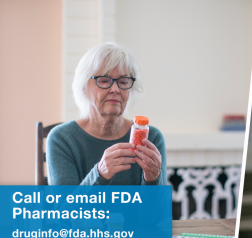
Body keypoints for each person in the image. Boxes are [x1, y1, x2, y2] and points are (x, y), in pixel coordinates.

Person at [47, 43, 167, 185]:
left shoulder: (150, 137)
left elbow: (157, 207)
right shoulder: (62, 139)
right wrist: (100, 173)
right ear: (84, 86)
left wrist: (153, 179)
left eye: (123, 81)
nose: (115, 89)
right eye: (104, 80)